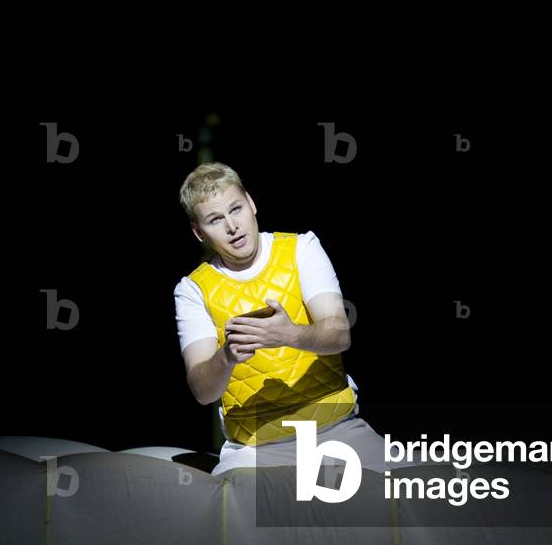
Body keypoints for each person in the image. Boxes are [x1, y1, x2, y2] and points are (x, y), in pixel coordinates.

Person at [174, 162, 412, 476]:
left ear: (252, 204)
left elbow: (339, 334)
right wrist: (227, 356)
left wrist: (289, 335)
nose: (232, 226)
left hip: (336, 429)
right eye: (216, 219)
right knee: (232, 519)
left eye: (236, 209)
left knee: (419, 492)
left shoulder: (302, 249)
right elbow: (203, 391)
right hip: (253, 448)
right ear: (198, 231)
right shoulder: (192, 290)